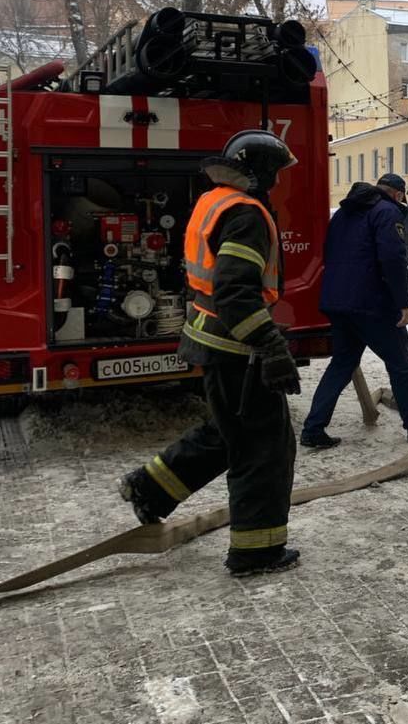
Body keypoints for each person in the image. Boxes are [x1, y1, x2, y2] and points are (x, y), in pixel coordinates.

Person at [117, 131, 303, 576]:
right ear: (258, 173)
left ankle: (150, 489)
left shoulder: (214, 200)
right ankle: (256, 552)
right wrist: (269, 344)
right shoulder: (246, 215)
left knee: (227, 432)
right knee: (264, 448)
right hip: (237, 348)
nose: (278, 181)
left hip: (214, 340)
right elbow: (236, 291)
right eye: (275, 172)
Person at [300, 173, 408, 449]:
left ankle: (313, 428)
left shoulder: (342, 214)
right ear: (397, 194)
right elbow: (393, 258)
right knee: (401, 364)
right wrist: (404, 302)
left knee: (341, 364)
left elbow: (329, 252)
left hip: (338, 302)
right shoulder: (386, 212)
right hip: (372, 303)